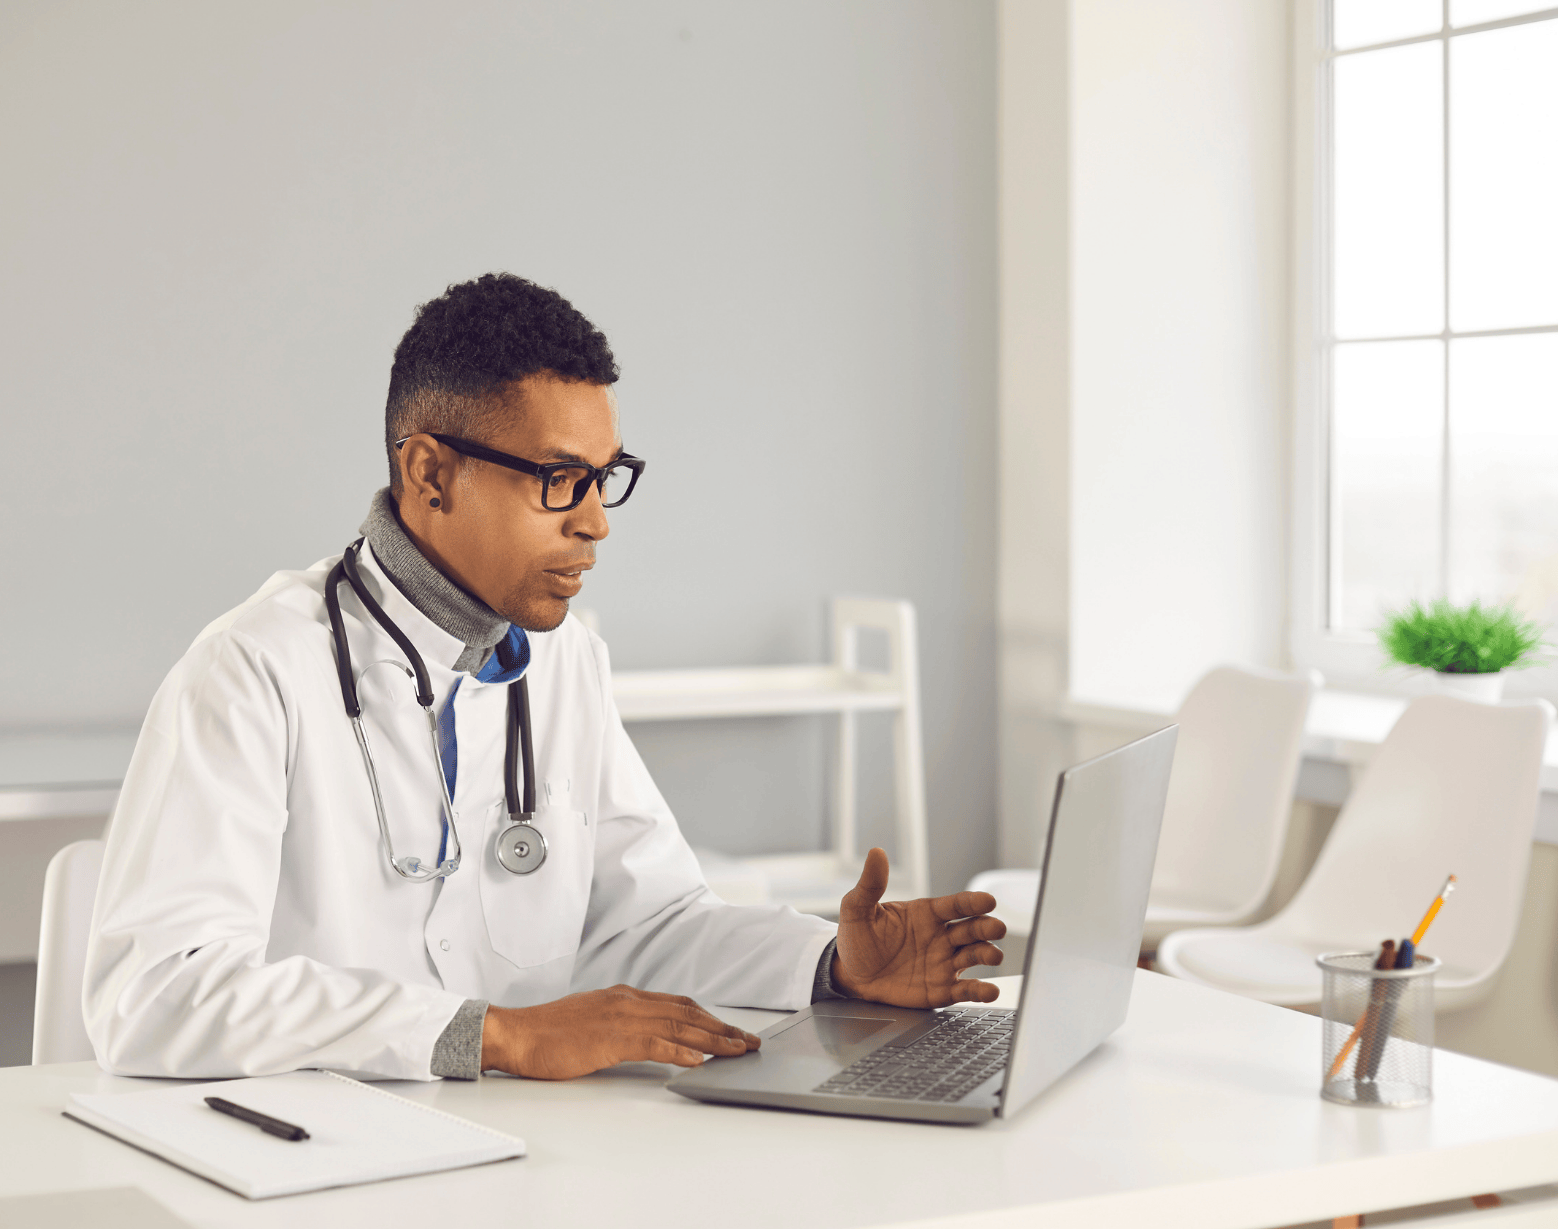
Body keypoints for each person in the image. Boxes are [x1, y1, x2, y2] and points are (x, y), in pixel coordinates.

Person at [85, 273, 1005, 1082]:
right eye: (561, 480)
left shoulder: (564, 660)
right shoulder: (254, 670)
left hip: (523, 1158)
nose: (598, 522)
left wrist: (833, 968)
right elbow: (157, 990)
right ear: (430, 472)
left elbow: (650, 924)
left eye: (607, 478)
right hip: (306, 1169)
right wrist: (494, 1036)